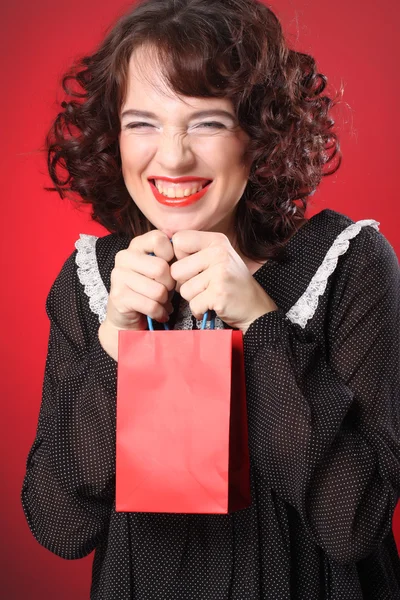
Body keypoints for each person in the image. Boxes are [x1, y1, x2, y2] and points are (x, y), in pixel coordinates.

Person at [21, 0, 400, 598]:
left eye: (207, 122)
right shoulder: (92, 280)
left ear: (261, 133)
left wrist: (261, 323)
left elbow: (352, 524)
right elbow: (60, 525)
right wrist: (115, 340)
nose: (172, 156)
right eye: (142, 122)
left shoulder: (348, 263)